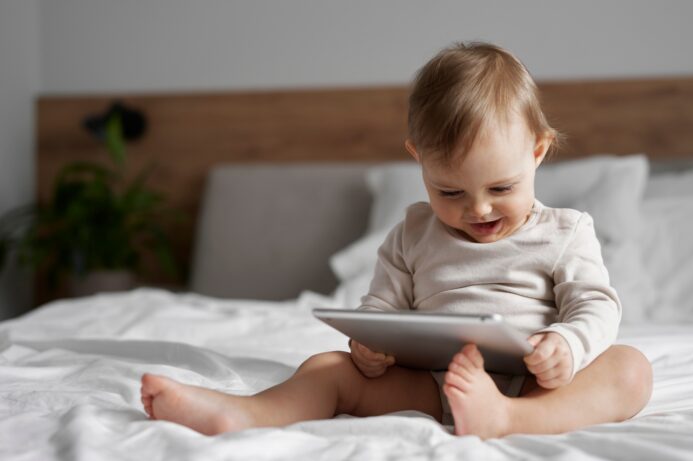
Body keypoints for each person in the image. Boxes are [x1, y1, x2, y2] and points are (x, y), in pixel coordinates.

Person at [141, 42, 653, 439]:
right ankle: (247, 414)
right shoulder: (412, 232)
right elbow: (381, 305)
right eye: (449, 190)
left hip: (538, 385)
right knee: (326, 367)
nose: (478, 209)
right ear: (418, 159)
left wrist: (567, 343)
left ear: (537, 152)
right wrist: (370, 345)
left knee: (631, 370)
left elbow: (596, 305)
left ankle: (509, 418)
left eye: (502, 188)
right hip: (430, 385)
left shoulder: (565, 232)